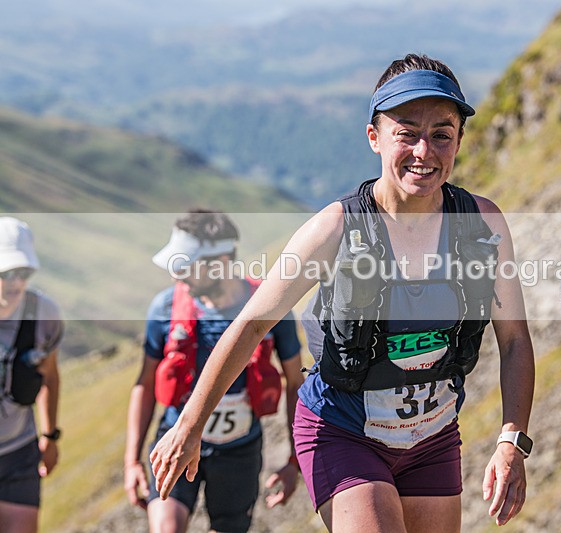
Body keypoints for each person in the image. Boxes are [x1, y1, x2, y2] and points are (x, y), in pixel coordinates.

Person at [149, 54, 535, 531]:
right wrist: (188, 427)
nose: (424, 150)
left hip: (433, 438)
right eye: (406, 133)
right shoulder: (335, 228)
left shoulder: (481, 222)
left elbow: (514, 339)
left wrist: (511, 440)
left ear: (458, 141)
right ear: (374, 137)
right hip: (342, 431)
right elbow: (251, 325)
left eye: (442, 134)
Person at [124, 210, 304, 533]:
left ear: (220, 260)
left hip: (240, 451)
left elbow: (296, 383)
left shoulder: (271, 309)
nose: (177, 277)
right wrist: (132, 459)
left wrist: (295, 461)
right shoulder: (164, 308)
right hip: (174, 439)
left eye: (184, 266)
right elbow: (145, 384)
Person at [0, 217, 64, 533]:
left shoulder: (44, 315)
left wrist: (49, 437)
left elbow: (49, 377)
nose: (15, 283)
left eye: (23, 273)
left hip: (19, 454)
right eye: (6, 273)